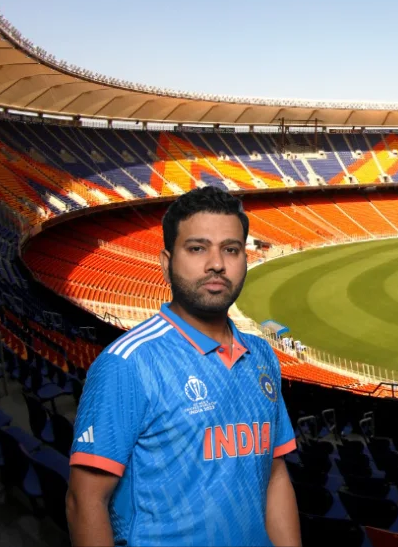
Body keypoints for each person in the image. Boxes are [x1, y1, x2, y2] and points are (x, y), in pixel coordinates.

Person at [67, 186, 299, 547]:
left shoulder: (262, 355)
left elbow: (274, 475)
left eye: (231, 250)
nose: (217, 264)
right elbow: (85, 500)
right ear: (165, 262)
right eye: (197, 248)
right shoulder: (127, 364)